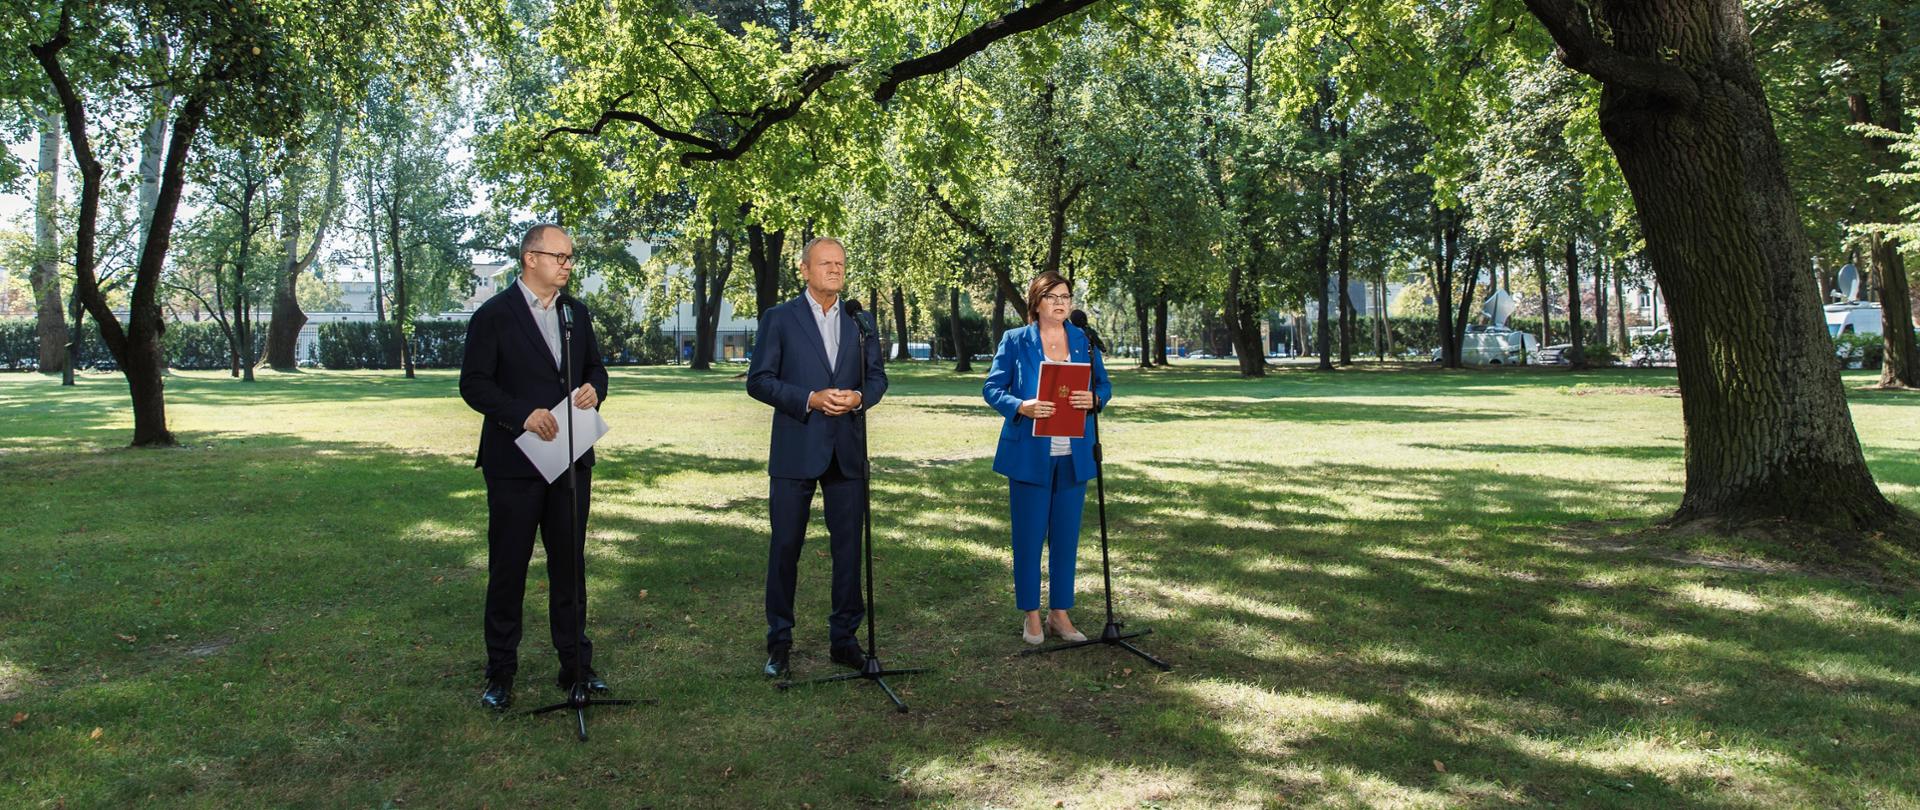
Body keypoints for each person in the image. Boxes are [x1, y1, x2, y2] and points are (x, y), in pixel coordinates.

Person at [458, 224, 611, 711]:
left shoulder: (575, 314)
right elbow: (473, 384)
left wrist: (595, 389)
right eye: (558, 256)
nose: (567, 265)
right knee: (509, 569)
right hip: (514, 463)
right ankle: (500, 671)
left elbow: (596, 368)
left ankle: (576, 667)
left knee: (570, 567)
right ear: (530, 258)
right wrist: (521, 415)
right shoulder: (493, 315)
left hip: (571, 459)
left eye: (570, 257)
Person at [745, 237, 887, 679]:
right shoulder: (779, 318)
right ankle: (779, 642)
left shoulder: (860, 320)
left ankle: (844, 640)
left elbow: (877, 378)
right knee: (785, 548)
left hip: (847, 451)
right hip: (796, 449)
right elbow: (759, 380)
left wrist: (859, 398)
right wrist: (810, 398)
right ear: (804, 269)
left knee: (849, 550)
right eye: (826, 263)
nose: (835, 270)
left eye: (840, 263)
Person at [981, 271, 1111, 645]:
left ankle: (1060, 614)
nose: (1060, 303)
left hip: (1074, 455)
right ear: (1036, 303)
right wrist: (1021, 405)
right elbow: (992, 388)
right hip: (1029, 454)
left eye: (1065, 297)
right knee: (1028, 538)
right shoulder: (1015, 340)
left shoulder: (1083, 340)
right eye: (1052, 297)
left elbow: (1103, 385)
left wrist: (1095, 399)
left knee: (1066, 539)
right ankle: (1032, 616)